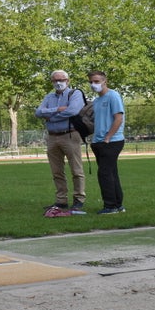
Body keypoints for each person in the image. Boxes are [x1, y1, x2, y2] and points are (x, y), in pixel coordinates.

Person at [35, 70, 87, 213]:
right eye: (55, 80)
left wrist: (51, 117)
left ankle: (79, 199)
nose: (58, 82)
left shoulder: (75, 94)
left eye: (61, 79)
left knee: (76, 170)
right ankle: (61, 201)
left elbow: (72, 111)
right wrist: (58, 109)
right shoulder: (49, 96)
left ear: (67, 81)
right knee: (57, 171)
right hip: (52, 136)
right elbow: (38, 112)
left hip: (70, 135)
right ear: (52, 82)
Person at [87, 71, 125, 214]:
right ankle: (118, 204)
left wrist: (108, 137)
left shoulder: (113, 96)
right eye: (91, 82)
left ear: (105, 81)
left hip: (112, 141)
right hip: (98, 142)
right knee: (111, 173)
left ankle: (110, 206)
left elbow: (118, 118)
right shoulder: (96, 101)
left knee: (104, 173)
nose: (93, 84)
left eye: (96, 81)